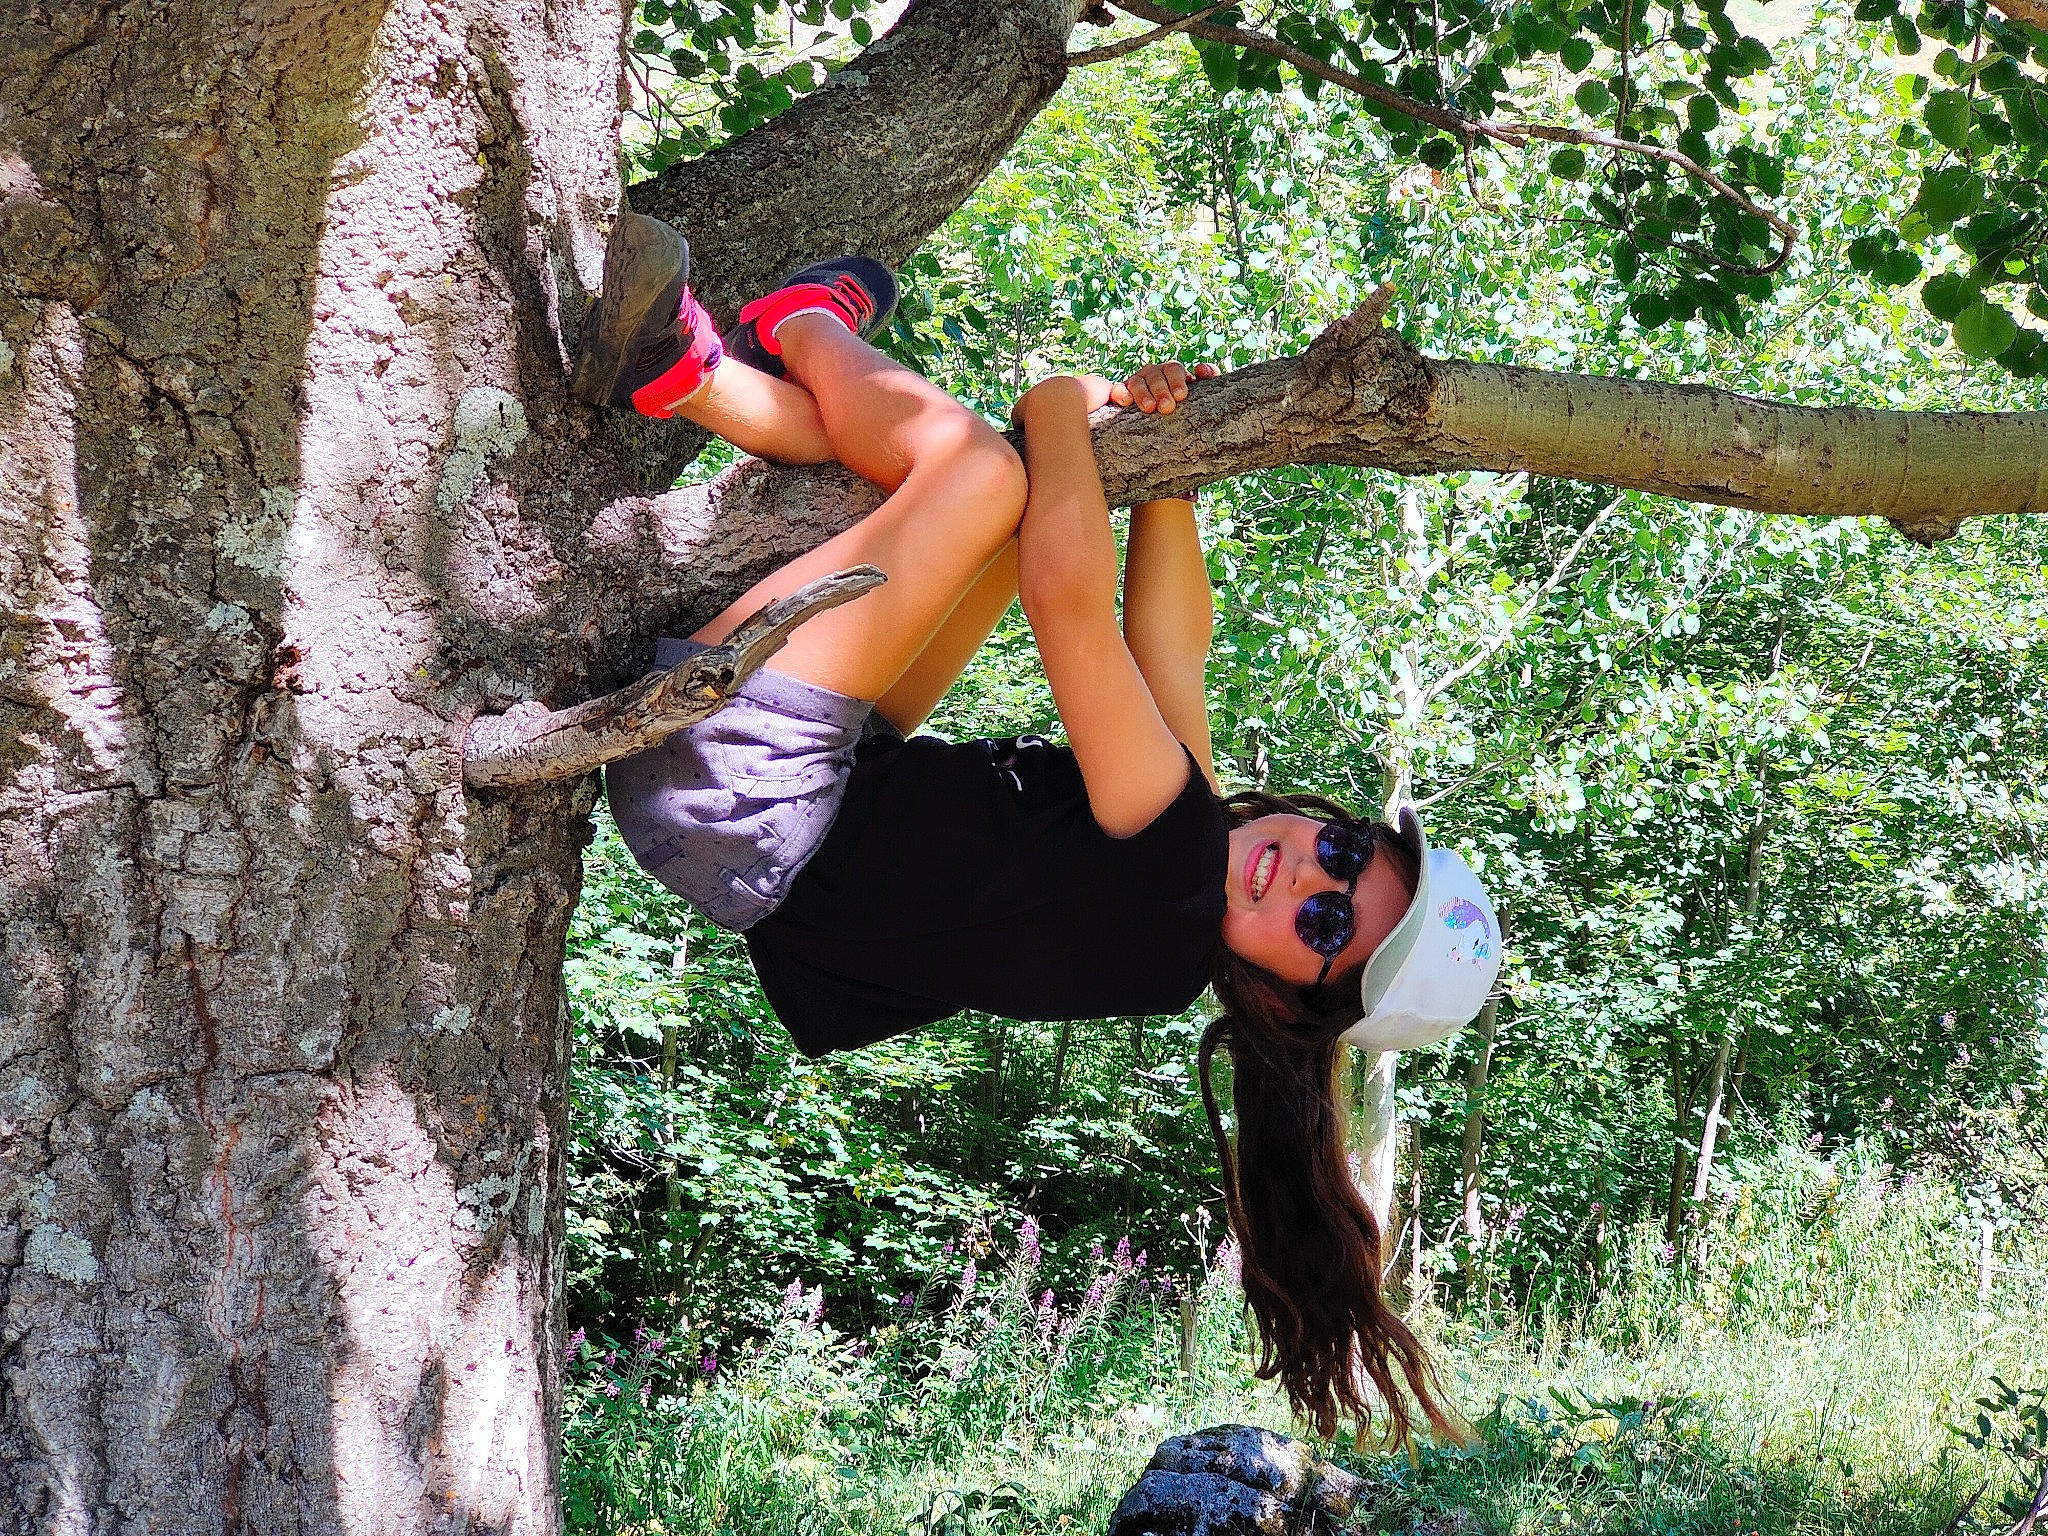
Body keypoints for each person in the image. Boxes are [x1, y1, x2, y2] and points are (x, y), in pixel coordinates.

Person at [570, 213, 1504, 1445]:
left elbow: (1076, 602)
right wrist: (1163, 460)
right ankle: (695, 380)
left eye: (1322, 926)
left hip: (747, 794)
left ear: (1281, 1000)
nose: (1302, 877)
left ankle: (794, 320)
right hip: (799, 814)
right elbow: (1172, 647)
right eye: (1343, 857)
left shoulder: (1172, 866)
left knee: (986, 474)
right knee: (1000, 507)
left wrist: (1060, 405)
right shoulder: (1180, 889)